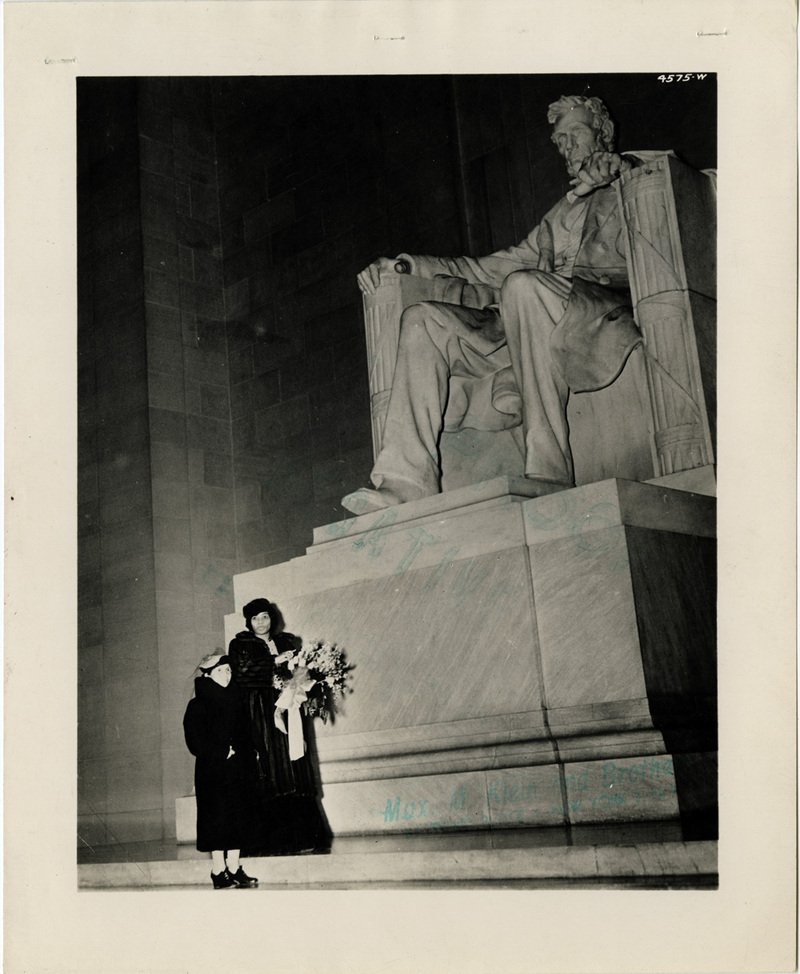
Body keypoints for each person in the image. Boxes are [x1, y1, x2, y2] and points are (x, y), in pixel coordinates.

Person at [343, 94, 659, 514]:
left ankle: (549, 468)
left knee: (523, 288)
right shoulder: (557, 217)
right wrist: (405, 264)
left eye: (576, 134)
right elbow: (485, 269)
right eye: (559, 139)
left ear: (603, 134)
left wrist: (622, 171)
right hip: (523, 322)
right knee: (422, 319)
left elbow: (688, 184)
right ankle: (406, 481)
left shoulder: (634, 178)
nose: (566, 147)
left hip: (596, 318)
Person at [228, 598, 330, 856]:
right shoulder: (240, 644)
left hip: (290, 714)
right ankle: (275, 841)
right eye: (255, 618)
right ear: (248, 623)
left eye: (265, 616)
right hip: (261, 715)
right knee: (271, 769)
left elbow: (303, 673)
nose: (261, 622)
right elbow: (241, 673)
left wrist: (308, 674)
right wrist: (274, 661)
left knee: (295, 766)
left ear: (272, 618)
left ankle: (308, 836)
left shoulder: (286, 640)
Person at [183, 653, 260, 890]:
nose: (226, 675)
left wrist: (250, 753)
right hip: (213, 771)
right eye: (220, 671)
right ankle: (218, 870)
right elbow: (194, 741)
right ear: (207, 675)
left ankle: (234, 868)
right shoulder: (197, 705)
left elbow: (248, 733)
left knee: (238, 817)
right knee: (216, 819)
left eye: (228, 670)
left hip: (238, 769)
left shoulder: (237, 700)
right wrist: (220, 752)